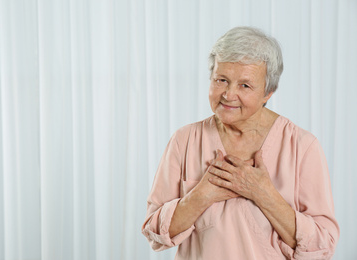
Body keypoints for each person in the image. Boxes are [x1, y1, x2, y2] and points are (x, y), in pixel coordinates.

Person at [141, 26, 339, 259]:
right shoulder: (184, 140)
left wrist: (263, 194)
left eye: (245, 85)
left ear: (269, 92)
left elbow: (323, 244)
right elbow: (153, 230)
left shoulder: (302, 146)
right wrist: (201, 195)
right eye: (221, 80)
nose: (228, 94)